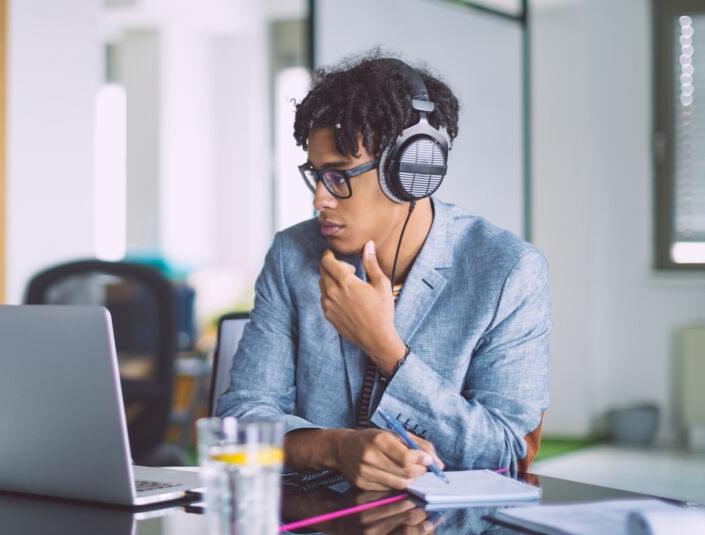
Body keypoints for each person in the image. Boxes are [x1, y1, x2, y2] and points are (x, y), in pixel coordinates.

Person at [216, 51, 550, 491]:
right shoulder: (291, 255)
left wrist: (385, 347)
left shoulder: (507, 271)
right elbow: (237, 425)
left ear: (411, 172)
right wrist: (335, 447)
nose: (320, 199)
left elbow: (507, 449)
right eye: (315, 175)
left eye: (338, 176)